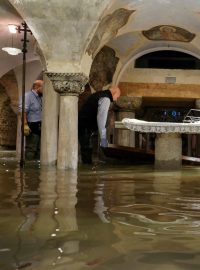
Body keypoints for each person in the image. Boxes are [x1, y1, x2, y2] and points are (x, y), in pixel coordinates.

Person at [78, 85, 121, 164]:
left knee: (86, 150)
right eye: (117, 96)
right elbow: (101, 119)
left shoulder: (98, 94)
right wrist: (103, 139)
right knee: (86, 151)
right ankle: (86, 173)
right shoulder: (106, 99)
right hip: (85, 127)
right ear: (114, 93)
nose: (116, 99)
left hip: (82, 124)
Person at [19, 80, 43, 160]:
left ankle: (36, 169)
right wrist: (25, 124)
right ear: (37, 87)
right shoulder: (28, 96)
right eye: (43, 87)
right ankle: (29, 169)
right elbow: (23, 111)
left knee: (39, 149)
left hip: (40, 126)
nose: (44, 90)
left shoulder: (40, 98)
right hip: (31, 125)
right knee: (31, 148)